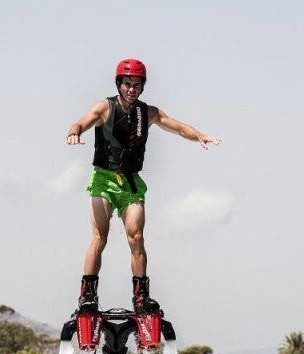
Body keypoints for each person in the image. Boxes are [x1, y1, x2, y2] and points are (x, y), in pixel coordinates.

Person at [65, 58, 220, 314]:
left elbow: (179, 127)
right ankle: (88, 296)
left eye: (137, 85)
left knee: (136, 238)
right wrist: (74, 132)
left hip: (131, 183)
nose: (131, 89)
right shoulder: (105, 107)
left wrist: (200, 136)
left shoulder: (148, 113)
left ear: (142, 87)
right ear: (119, 84)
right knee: (99, 238)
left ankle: (141, 297)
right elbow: (82, 121)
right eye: (127, 84)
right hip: (103, 180)